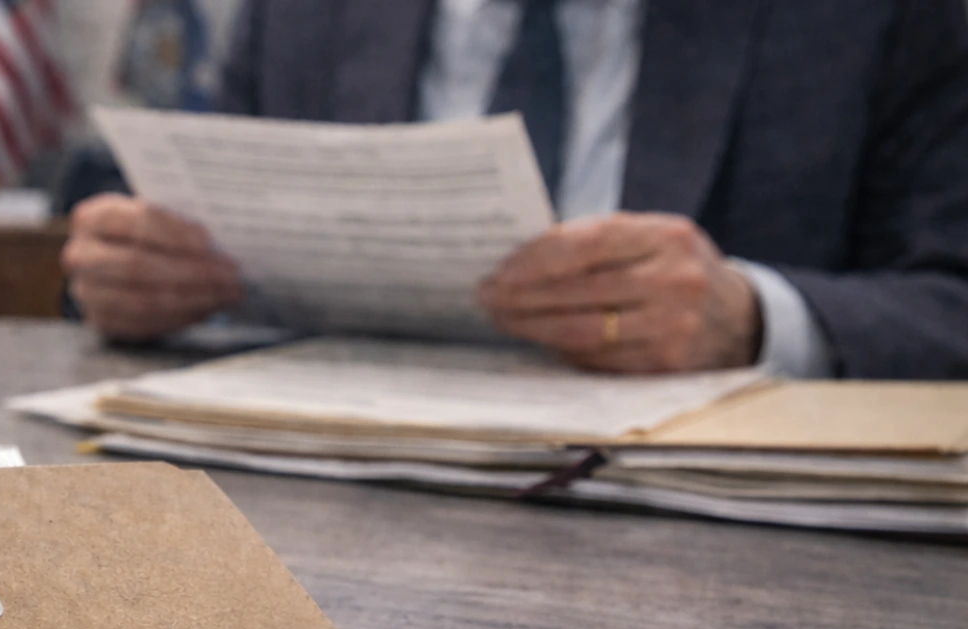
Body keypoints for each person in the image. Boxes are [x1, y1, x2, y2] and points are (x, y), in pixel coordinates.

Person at [62, 0, 968, 379]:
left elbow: (948, 299)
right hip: (335, 510)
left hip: (724, 568)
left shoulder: (873, 19)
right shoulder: (305, 11)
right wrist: (140, 278)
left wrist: (758, 320)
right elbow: (194, 231)